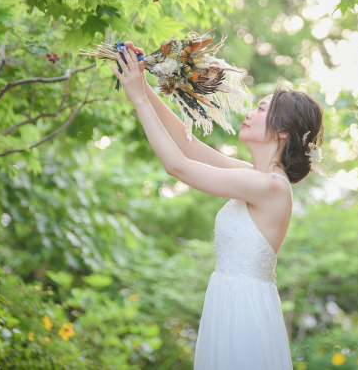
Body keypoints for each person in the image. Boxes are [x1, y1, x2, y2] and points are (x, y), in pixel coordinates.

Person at [110, 41, 324, 369]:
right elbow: (187, 143)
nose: (250, 113)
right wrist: (141, 83)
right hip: (228, 303)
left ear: (281, 132)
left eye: (261, 109)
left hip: (244, 312)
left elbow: (177, 166)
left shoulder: (268, 186)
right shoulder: (255, 177)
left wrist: (137, 98)